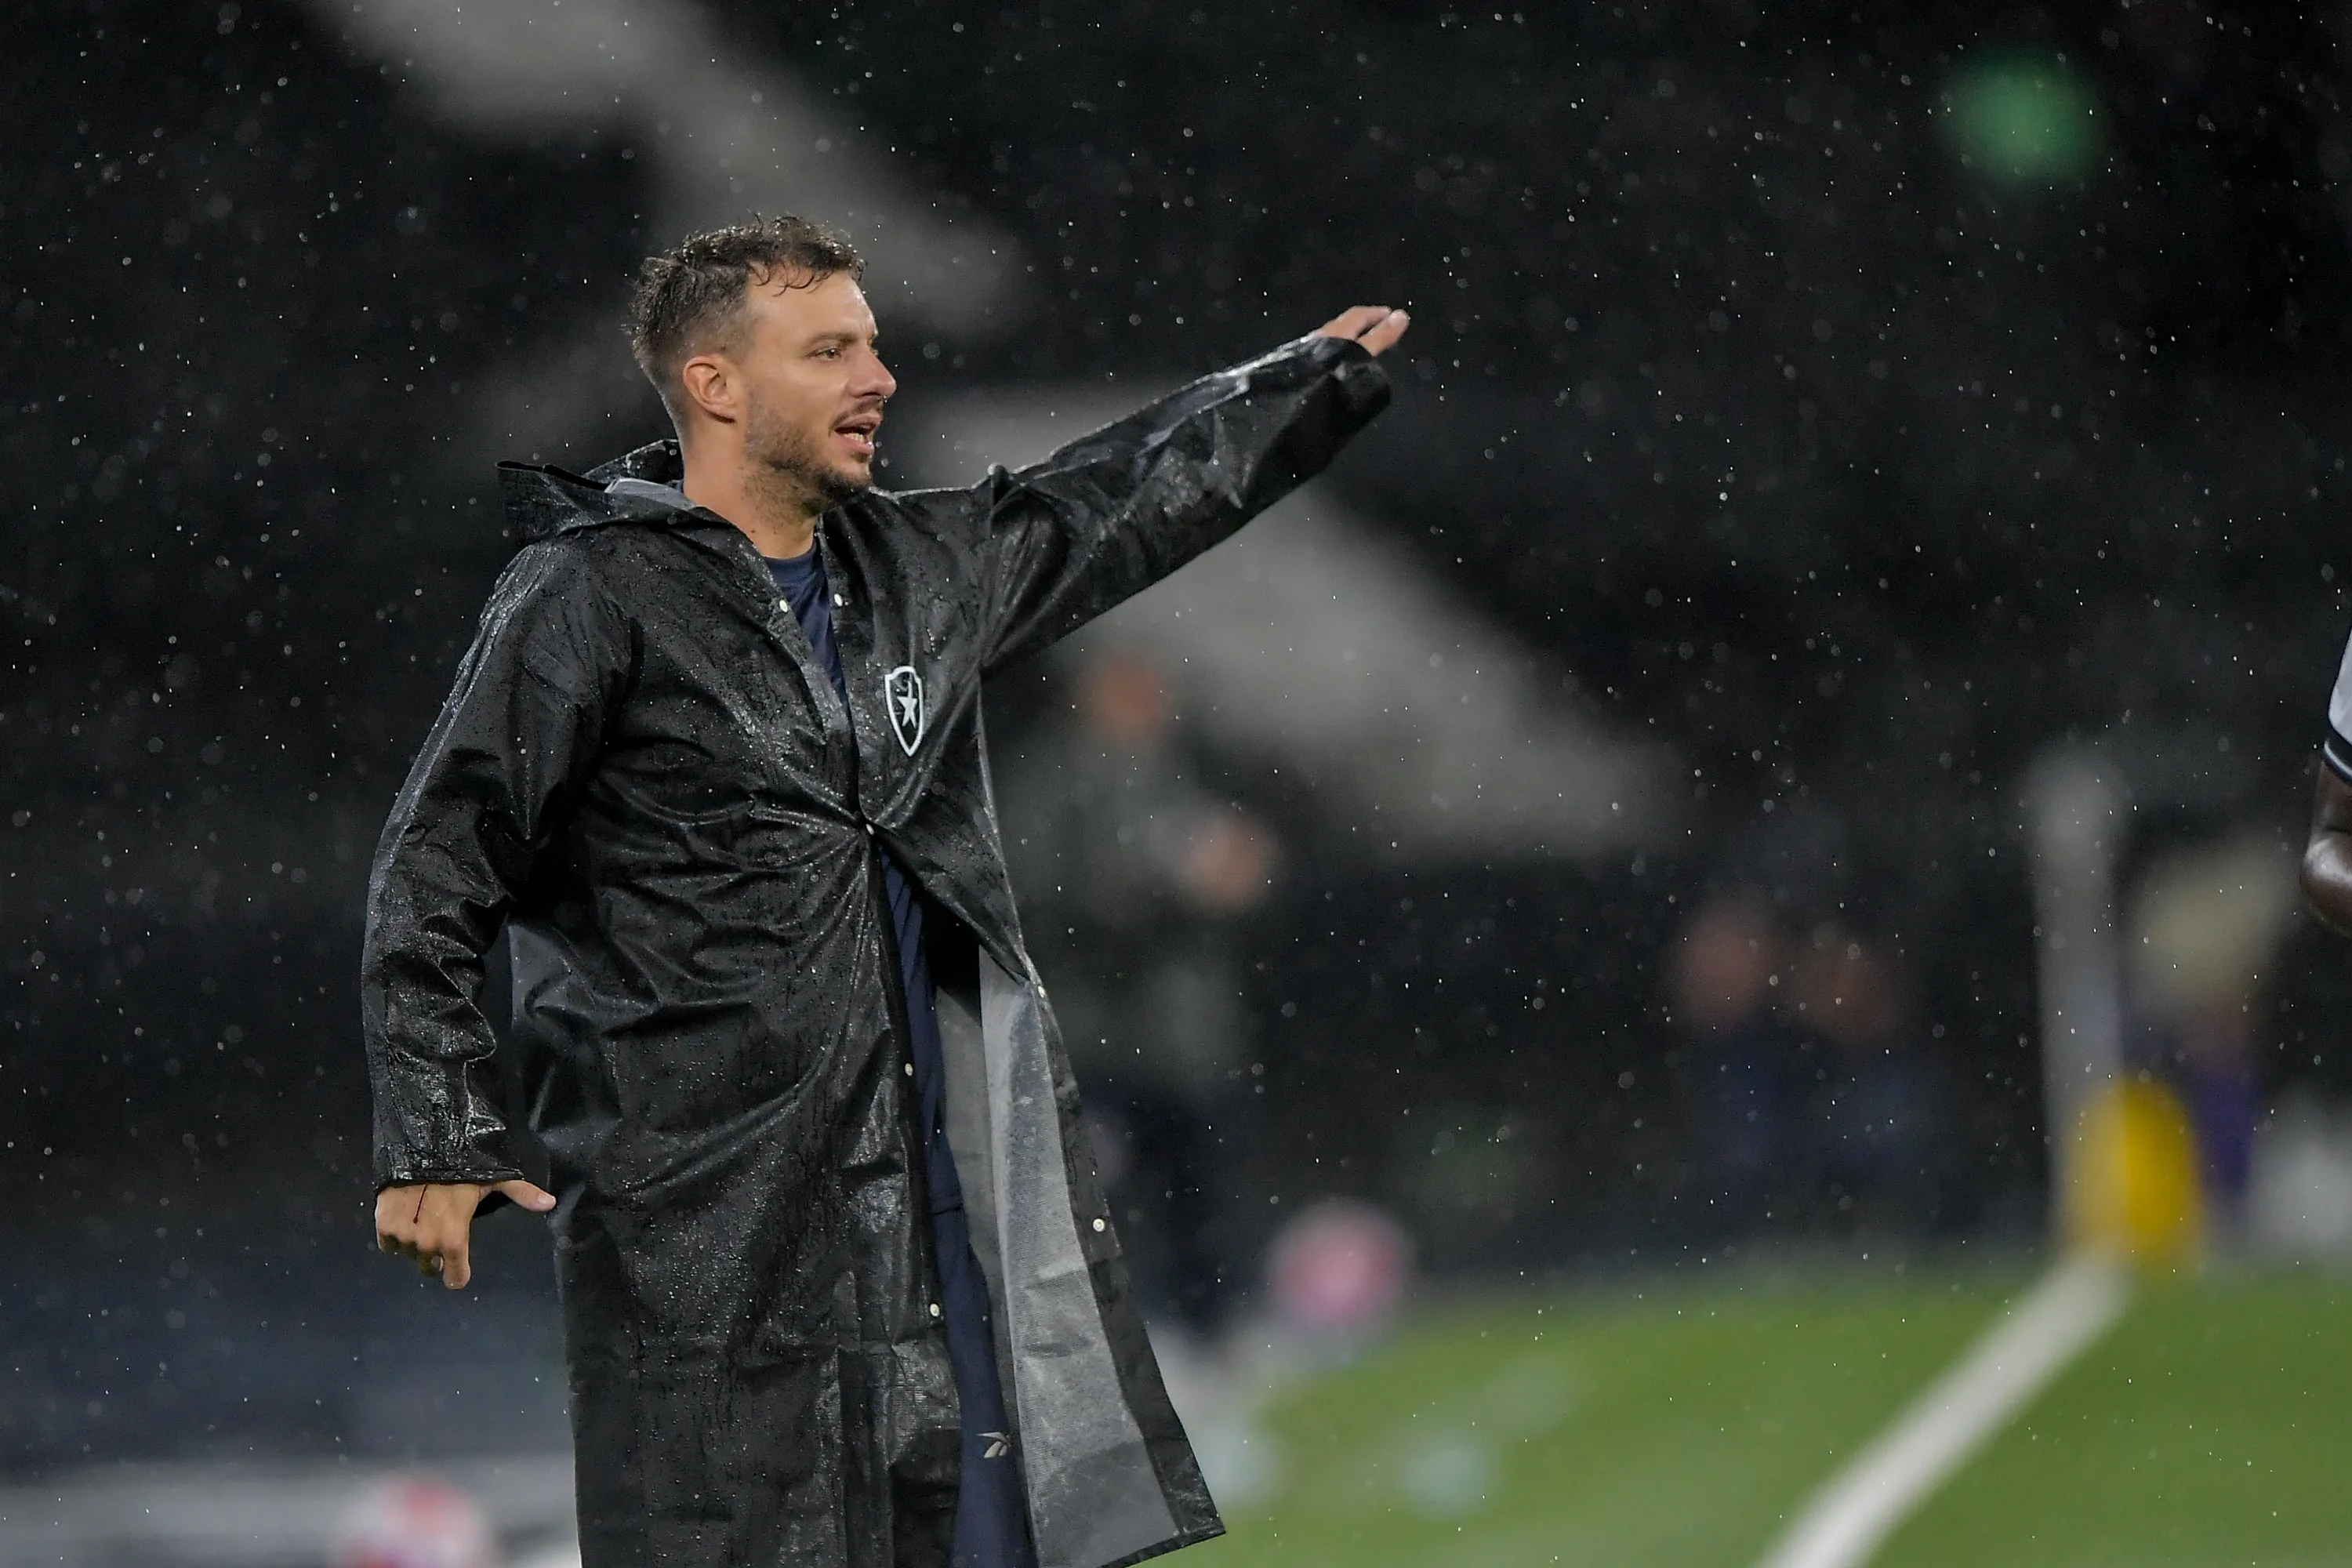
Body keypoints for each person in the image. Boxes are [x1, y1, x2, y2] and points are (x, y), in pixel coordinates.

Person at [360, 215, 1405, 1568]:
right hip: (709, 1242)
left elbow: (1109, 502)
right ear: (716, 385)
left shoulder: (915, 571)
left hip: (938, 1219)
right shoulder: (587, 596)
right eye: (832, 347)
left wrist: (1298, 390)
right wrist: (437, 1126)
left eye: (875, 342)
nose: (879, 375)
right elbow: (438, 864)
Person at [1000, 647, 1275, 1335]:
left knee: (1197, 1197)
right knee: (1092, 1203)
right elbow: (1042, 889)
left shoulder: (1171, 770)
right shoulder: (1050, 778)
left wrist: (1229, 872)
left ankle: (1207, 1335)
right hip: (1095, 1035)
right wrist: (1163, 883)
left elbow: (1225, 864)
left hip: (1178, 1037)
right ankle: (1106, 1338)